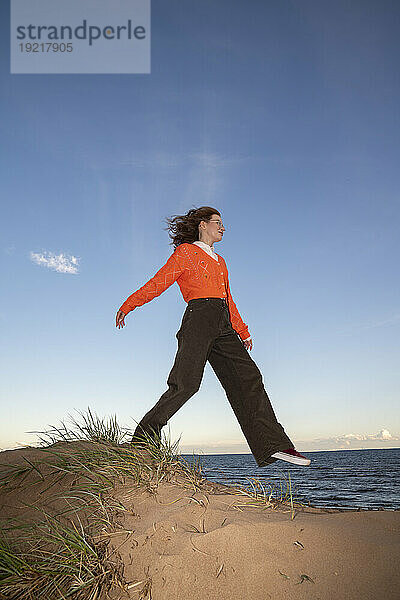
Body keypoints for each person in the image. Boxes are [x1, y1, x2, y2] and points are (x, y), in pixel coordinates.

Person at [116, 207, 311, 467]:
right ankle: (144, 438)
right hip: (199, 318)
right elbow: (158, 282)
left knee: (249, 377)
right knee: (186, 384)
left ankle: (273, 445)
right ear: (202, 225)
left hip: (223, 322)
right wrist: (129, 305)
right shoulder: (186, 252)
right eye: (217, 223)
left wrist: (242, 330)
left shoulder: (221, 262)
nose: (222, 228)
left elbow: (228, 299)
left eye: (222, 224)